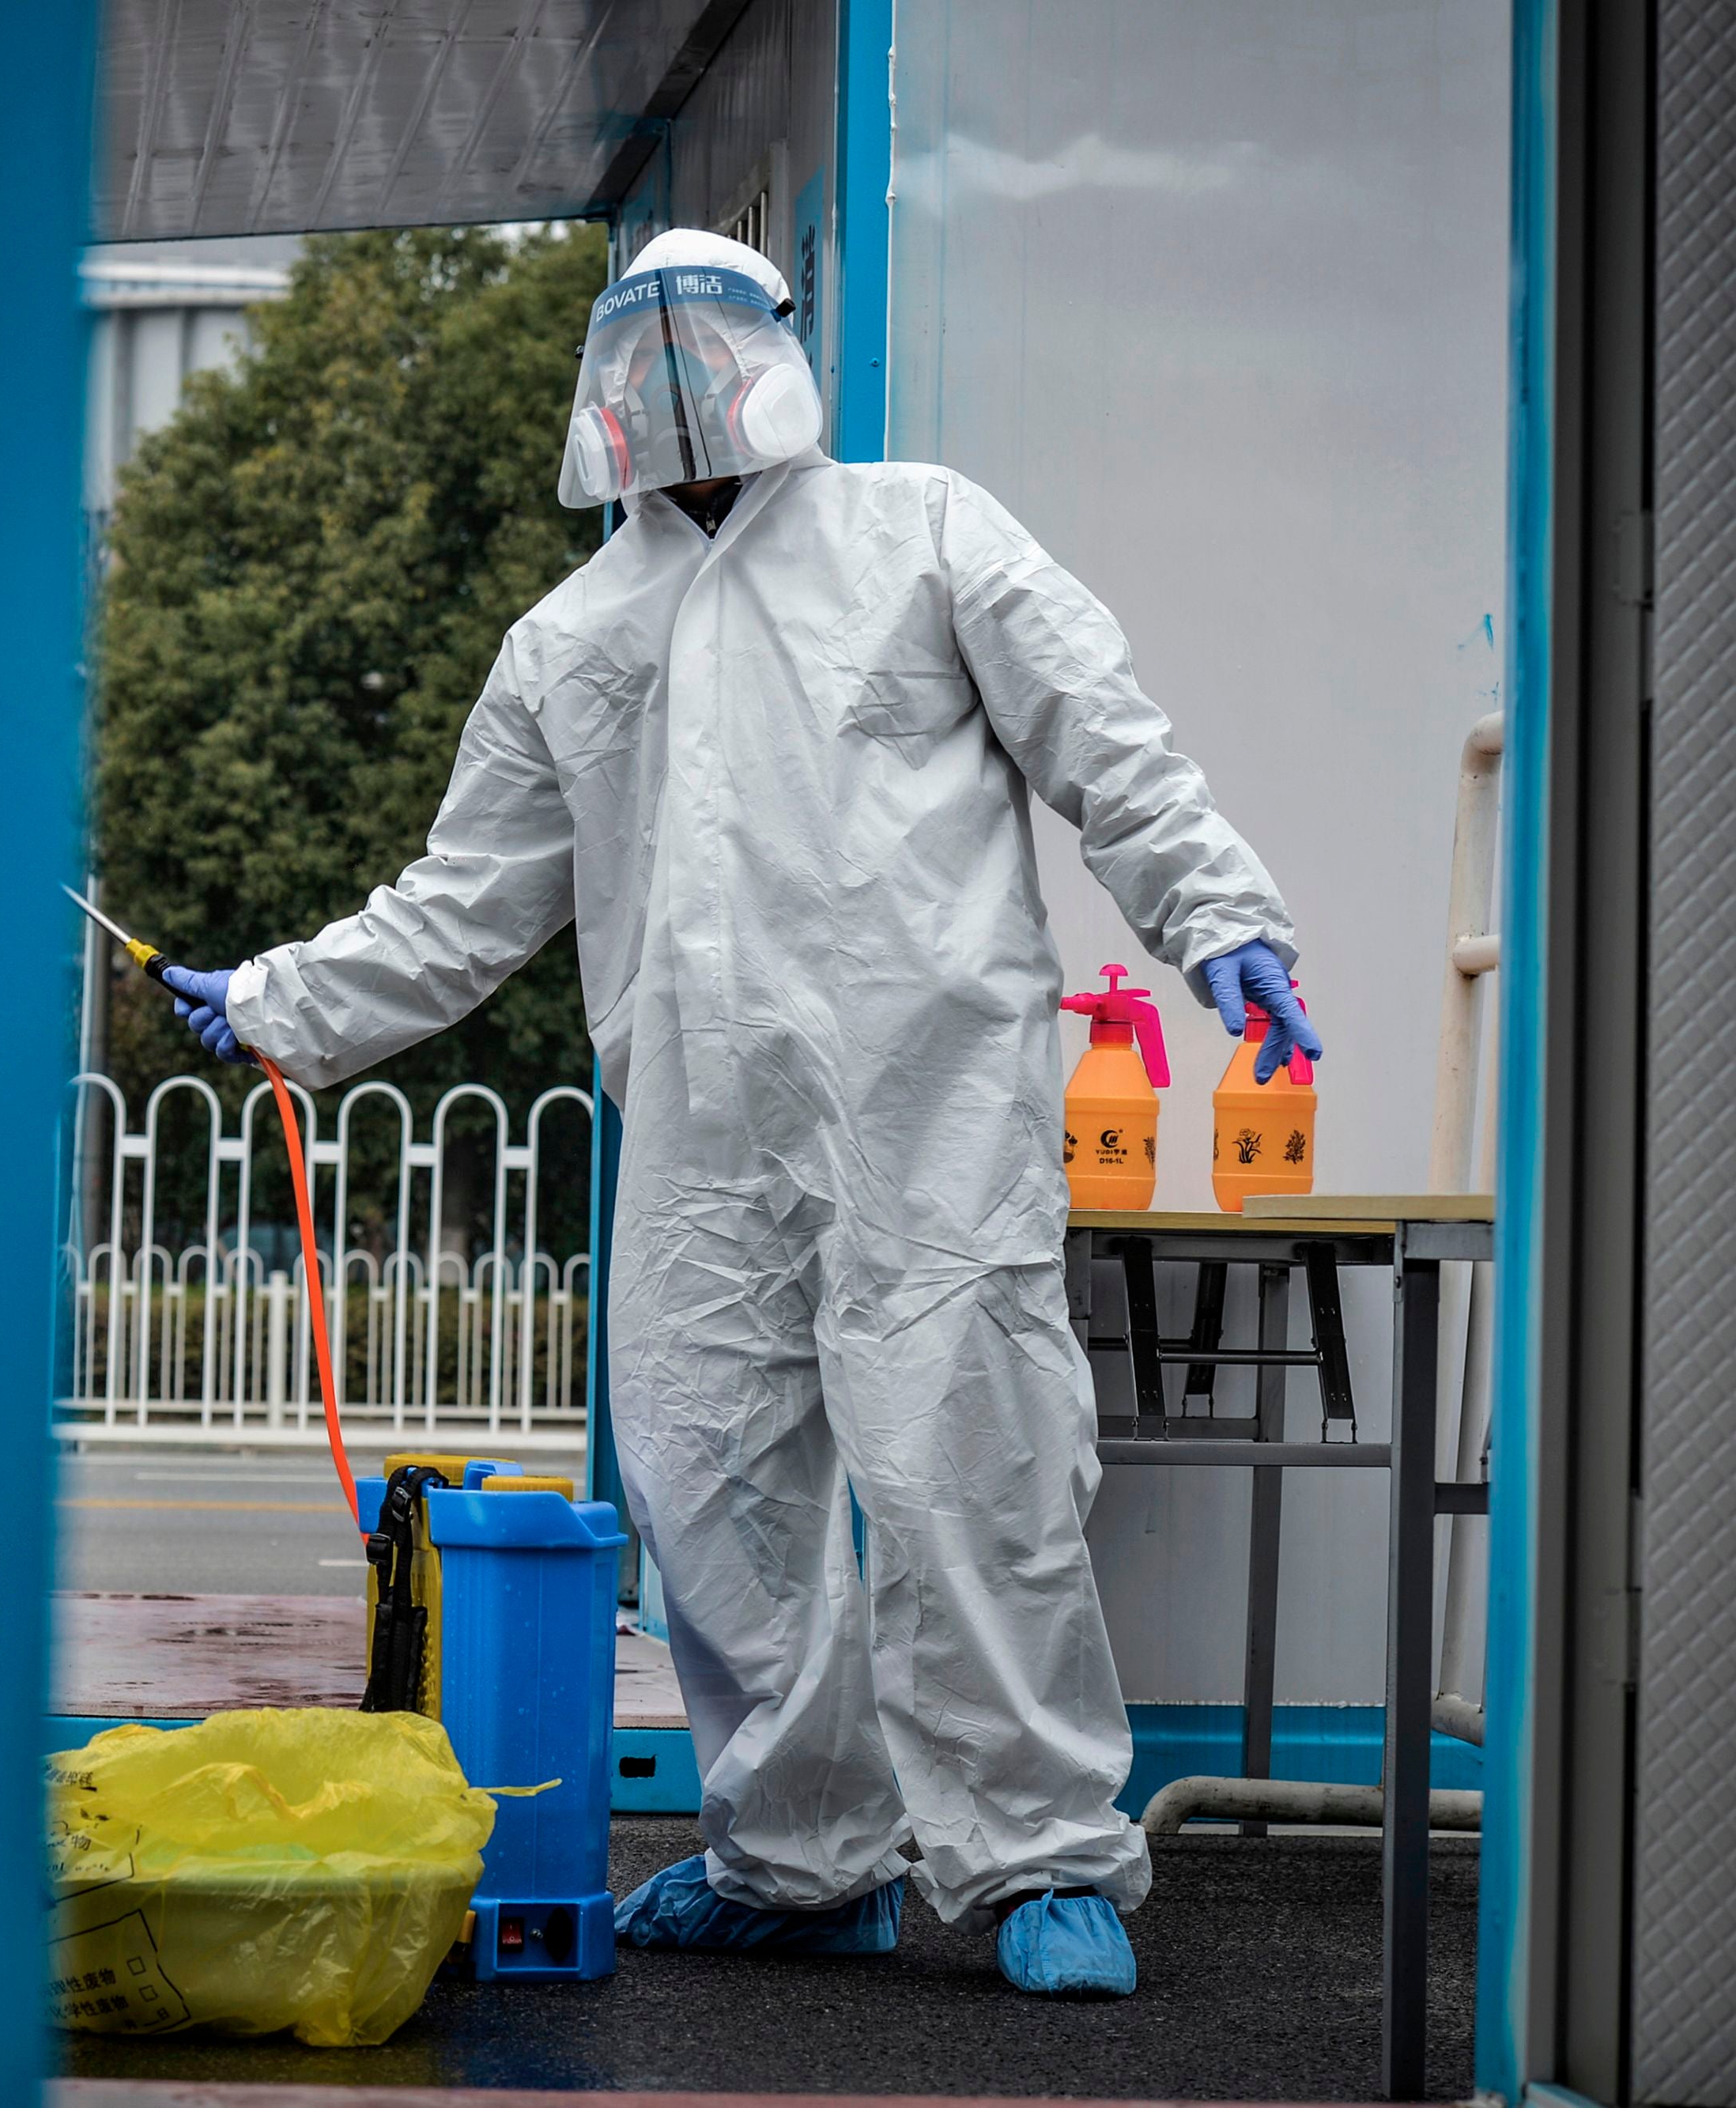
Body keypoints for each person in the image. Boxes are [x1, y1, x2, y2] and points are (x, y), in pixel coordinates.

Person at [157, 229, 1322, 2000]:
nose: (677, 381)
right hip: (695, 1134)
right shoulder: (568, 639)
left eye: (704, 340)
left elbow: (1106, 736)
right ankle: (797, 1858)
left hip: (923, 1108)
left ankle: (1036, 1862)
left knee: (970, 1477)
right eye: (641, 347)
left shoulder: (921, 531)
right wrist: (276, 1001)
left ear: (781, 349)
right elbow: (466, 900)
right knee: (709, 1495)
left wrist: (1215, 916)